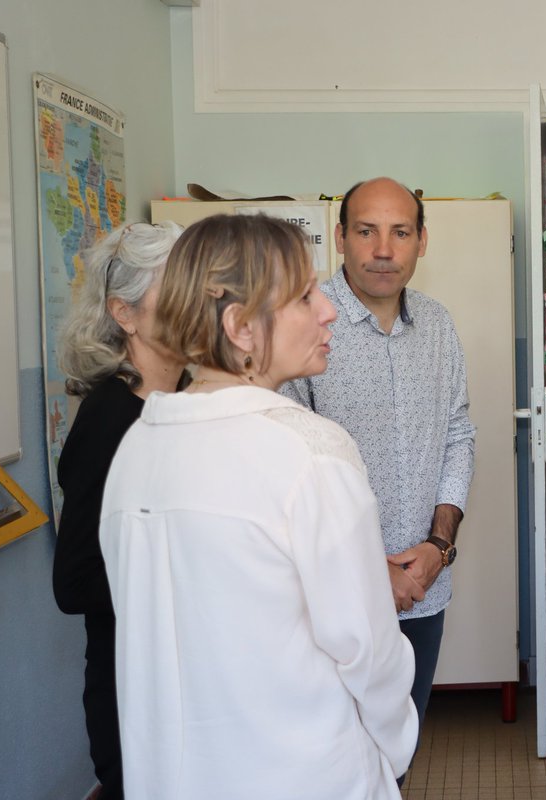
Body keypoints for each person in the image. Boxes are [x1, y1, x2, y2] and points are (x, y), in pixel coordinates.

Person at [99, 214, 418, 799]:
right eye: (304, 296)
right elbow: (369, 654)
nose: (327, 310)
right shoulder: (311, 453)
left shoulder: (137, 448)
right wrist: (394, 748)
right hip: (304, 775)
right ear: (240, 327)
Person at [280, 177, 475, 756]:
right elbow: (290, 471)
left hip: (423, 589)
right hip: (332, 597)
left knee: (397, 751)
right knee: (332, 761)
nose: (384, 250)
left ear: (421, 242)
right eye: (367, 231)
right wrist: (370, 570)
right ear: (340, 238)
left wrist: (438, 548)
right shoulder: (306, 324)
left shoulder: (438, 326)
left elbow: (458, 437)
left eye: (400, 233)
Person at [52, 221, 185, 800]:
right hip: (136, 698)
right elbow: (74, 582)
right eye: (174, 288)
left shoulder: (187, 406)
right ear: (124, 314)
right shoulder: (109, 418)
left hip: (189, 688)